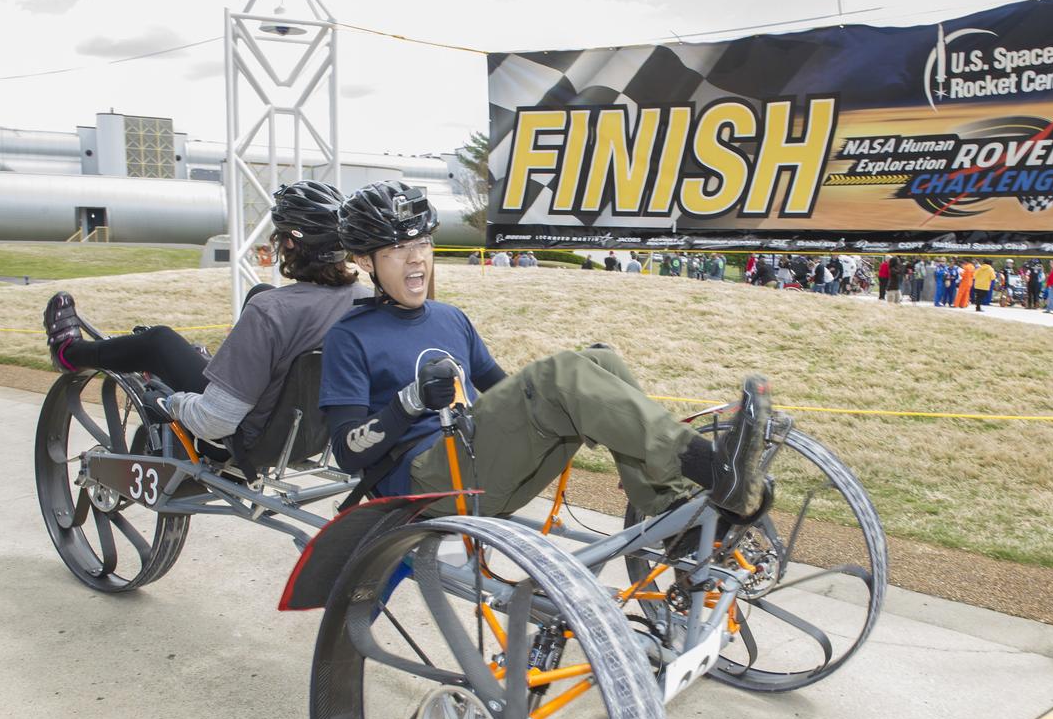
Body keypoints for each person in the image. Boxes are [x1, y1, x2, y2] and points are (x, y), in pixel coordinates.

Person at [317, 179, 776, 525]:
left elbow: (506, 391)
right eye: (397, 247)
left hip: (483, 461)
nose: (416, 258)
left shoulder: (449, 317)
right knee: (563, 375)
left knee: (601, 363)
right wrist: (409, 402)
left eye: (421, 242)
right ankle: (713, 469)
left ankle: (668, 509)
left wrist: (587, 378)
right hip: (427, 485)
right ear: (364, 261)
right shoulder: (351, 337)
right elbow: (346, 452)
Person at [41, 180, 371, 449]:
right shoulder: (364, 302)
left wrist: (167, 402)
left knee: (157, 341)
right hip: (313, 436)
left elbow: (214, 422)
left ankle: (69, 353)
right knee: (260, 291)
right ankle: (220, 367)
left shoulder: (272, 313)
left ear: (287, 244)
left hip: (247, 437)